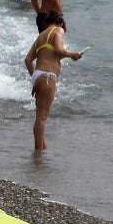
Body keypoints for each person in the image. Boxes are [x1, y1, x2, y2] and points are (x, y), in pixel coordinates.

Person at [26, 11, 82, 151]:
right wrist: (72, 54)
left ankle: (42, 148)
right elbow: (58, 49)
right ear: (60, 22)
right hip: (48, 76)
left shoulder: (40, 36)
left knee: (40, 116)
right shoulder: (58, 30)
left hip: (38, 75)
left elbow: (28, 60)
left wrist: (34, 80)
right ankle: (38, 153)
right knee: (42, 117)